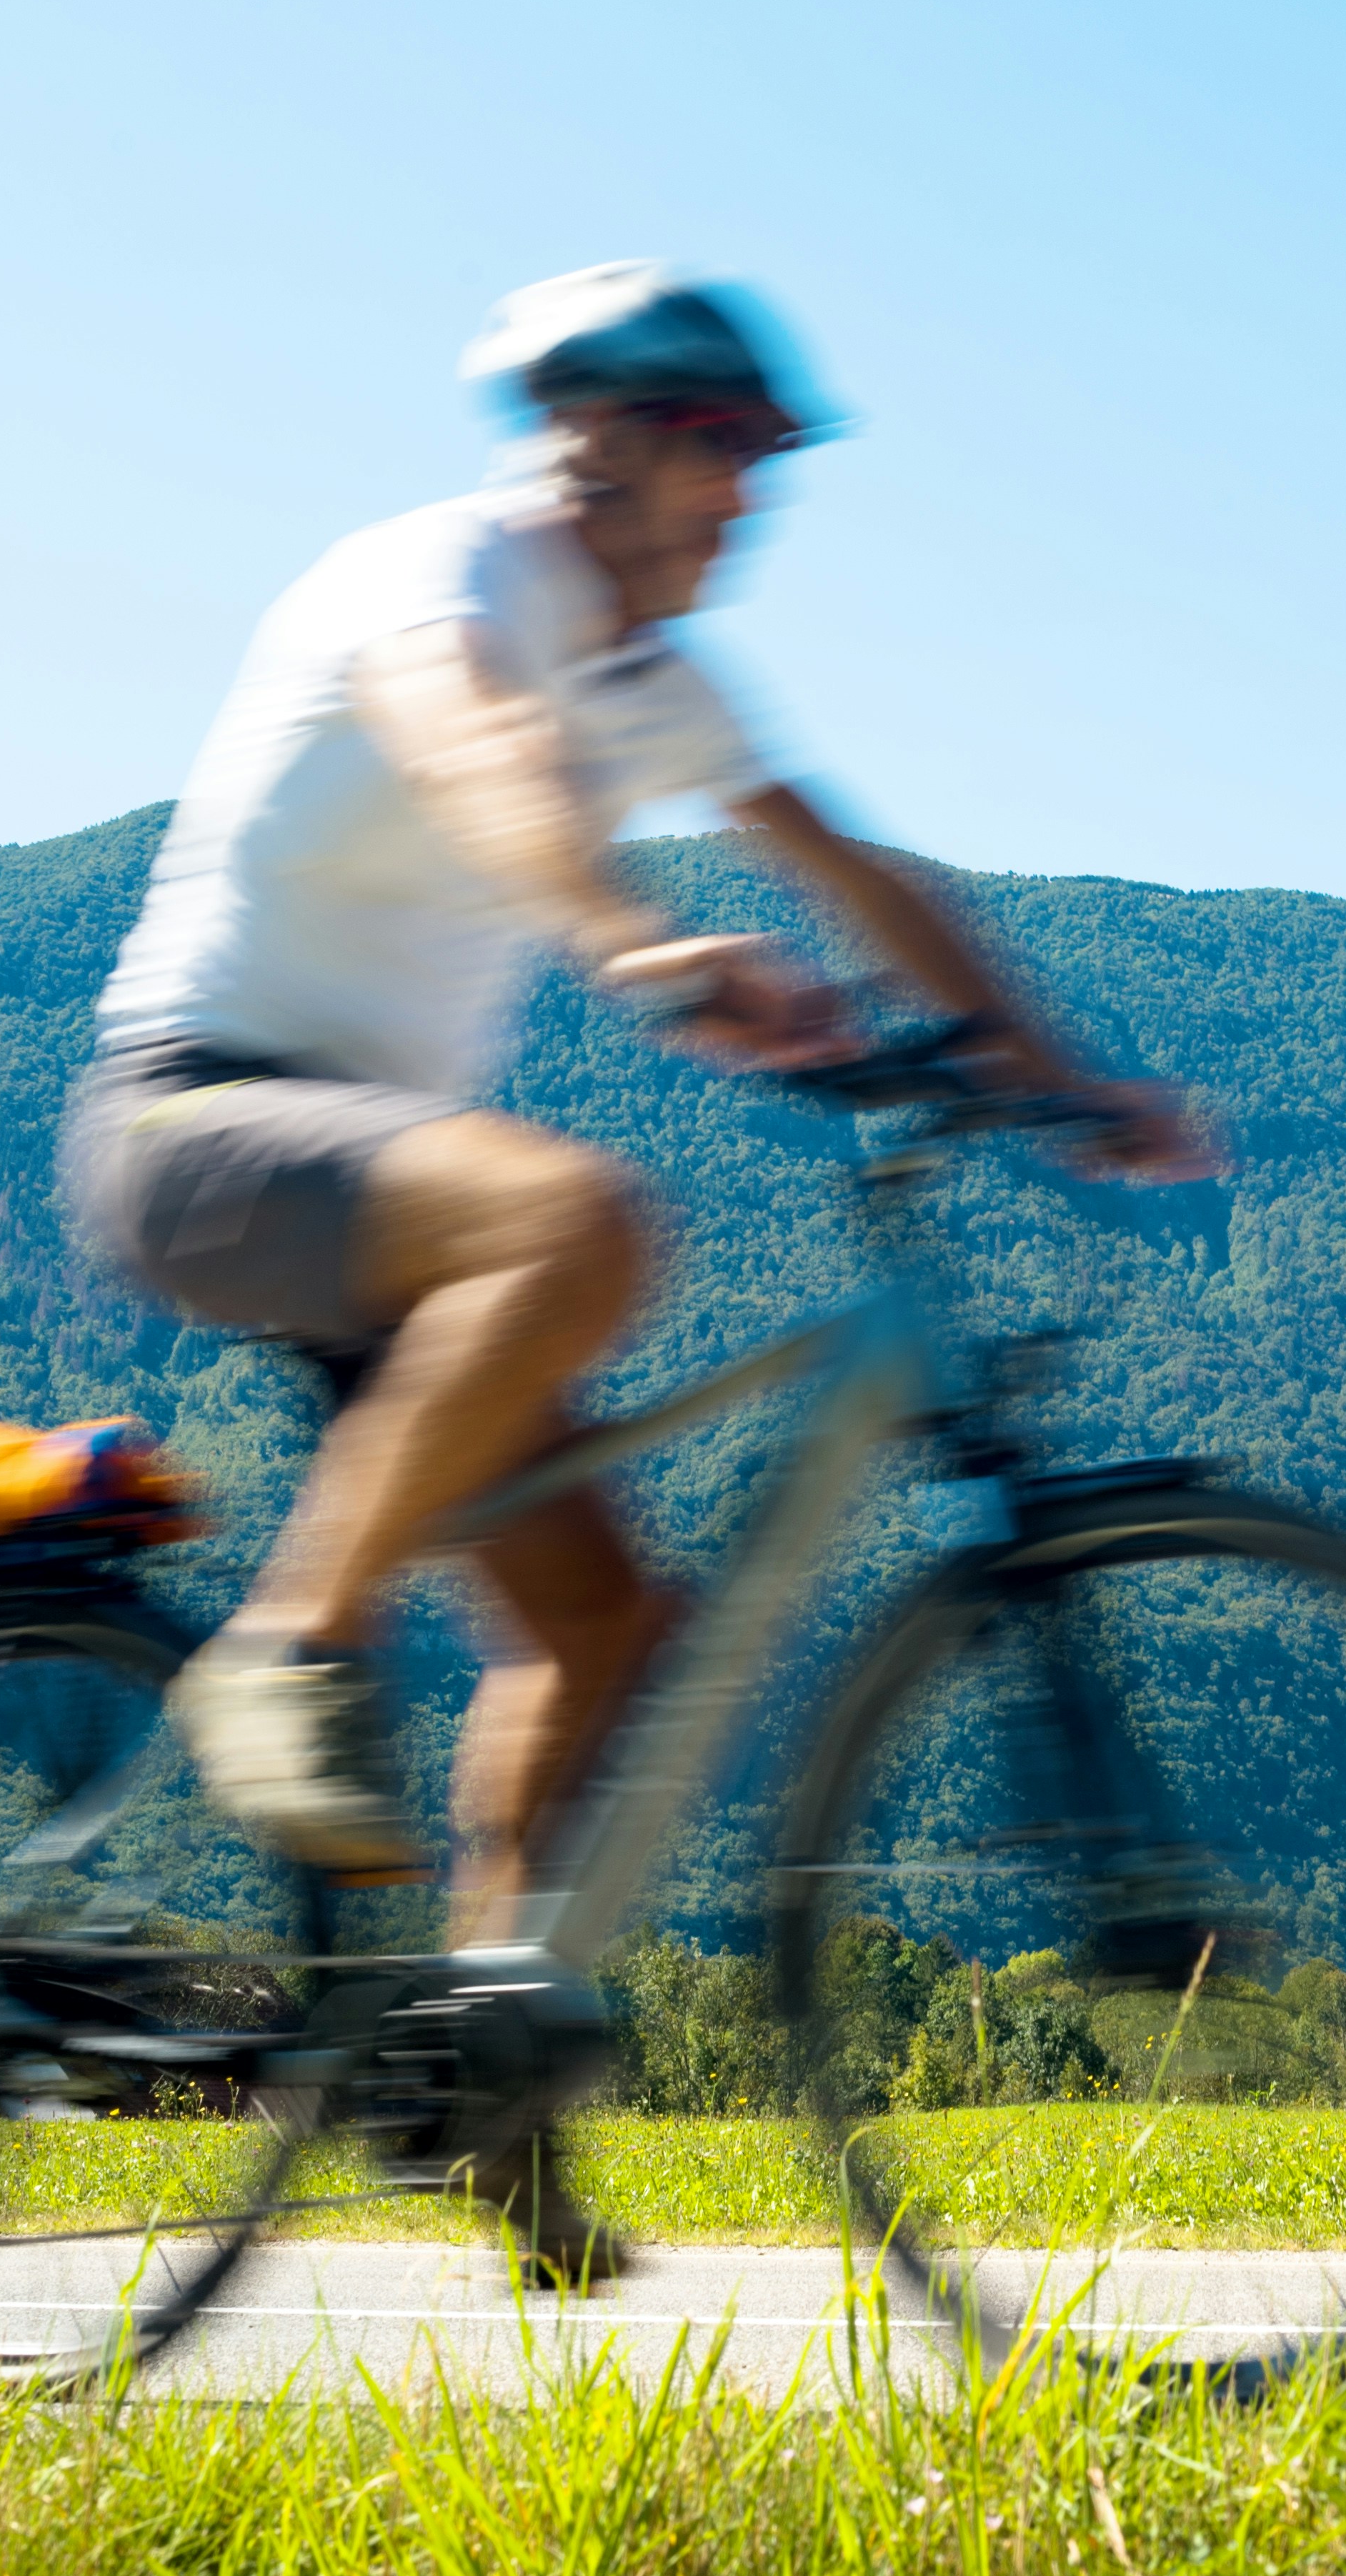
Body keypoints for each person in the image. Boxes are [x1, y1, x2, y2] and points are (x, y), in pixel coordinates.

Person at [62, 262, 1197, 2275]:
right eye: (722, 448)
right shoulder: (440, 581)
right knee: (582, 1218)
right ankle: (281, 1645)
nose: (752, 496)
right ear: (601, 436)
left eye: (767, 460)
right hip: (200, 1130)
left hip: (381, 1215)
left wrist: (1059, 1073)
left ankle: (475, 2078)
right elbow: (485, 758)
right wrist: (630, 934)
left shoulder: (656, 677)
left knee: (602, 1621)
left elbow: (859, 874)